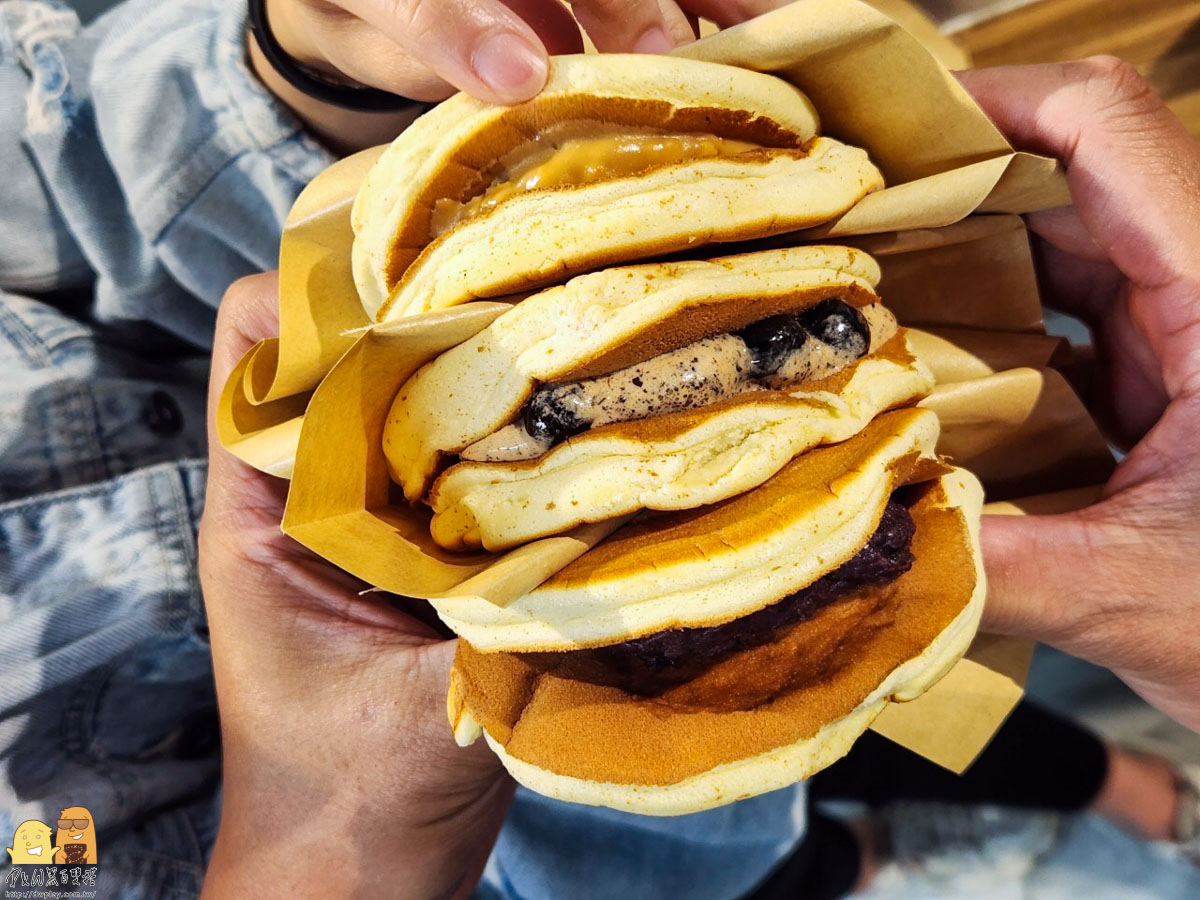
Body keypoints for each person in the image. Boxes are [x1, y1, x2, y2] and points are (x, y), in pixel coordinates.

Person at [0, 0, 1197, 897]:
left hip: (729, 554)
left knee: (867, 694)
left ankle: (992, 810)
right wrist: (336, 843)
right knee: (788, 853)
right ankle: (870, 853)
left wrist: (308, 73)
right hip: (588, 822)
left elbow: (61, 167)